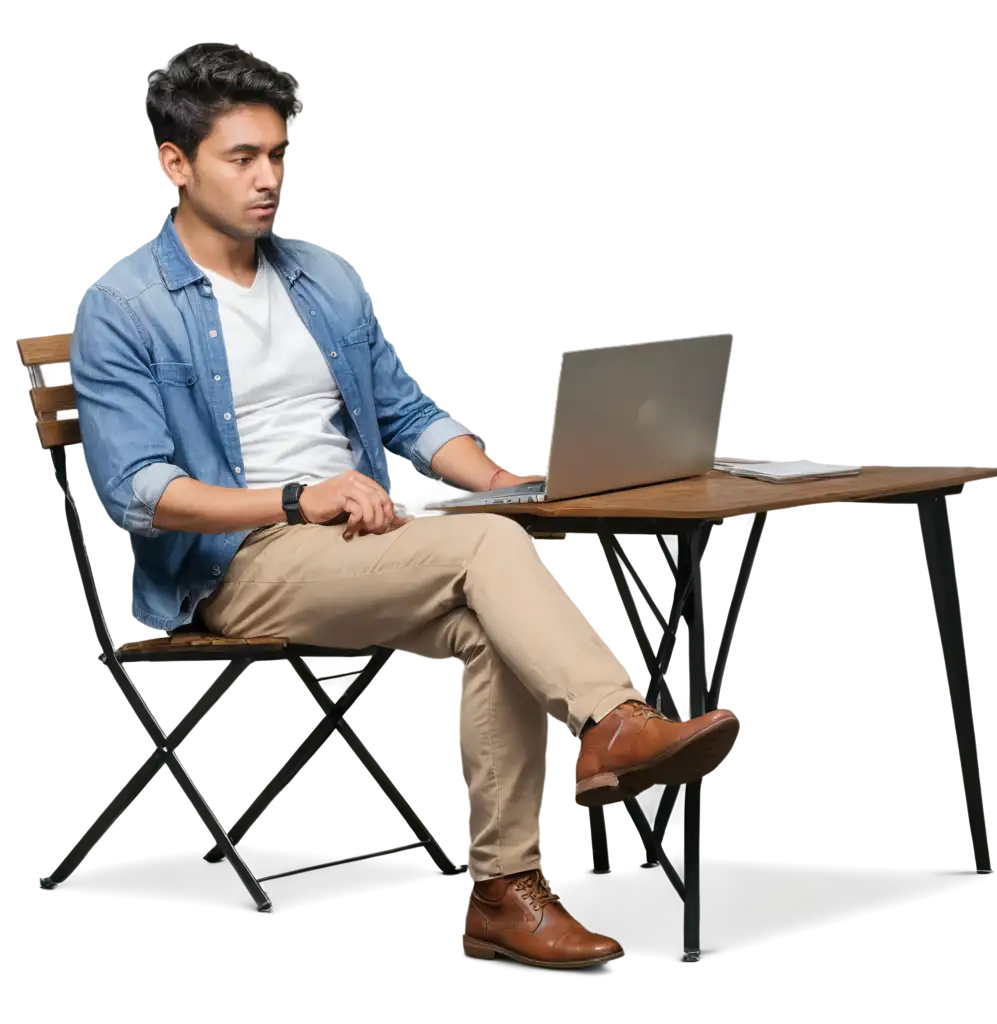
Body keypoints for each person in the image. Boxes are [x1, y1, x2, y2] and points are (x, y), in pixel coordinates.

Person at [70, 43, 741, 970]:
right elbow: (142, 493)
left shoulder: (321, 278)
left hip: (357, 540)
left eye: (279, 155)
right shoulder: (125, 306)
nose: (270, 180)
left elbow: (411, 416)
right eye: (242, 158)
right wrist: (302, 499)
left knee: (489, 604)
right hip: (239, 563)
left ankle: (502, 894)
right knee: (488, 556)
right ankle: (613, 724)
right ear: (173, 164)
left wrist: (503, 483)